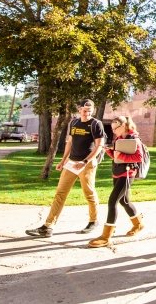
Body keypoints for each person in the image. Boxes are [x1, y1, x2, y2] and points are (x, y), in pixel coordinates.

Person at [26, 99, 105, 238]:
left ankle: (93, 221)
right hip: (71, 163)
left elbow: (99, 146)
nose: (87, 113)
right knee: (60, 193)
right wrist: (63, 161)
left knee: (89, 193)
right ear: (79, 109)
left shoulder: (96, 124)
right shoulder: (74, 122)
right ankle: (48, 227)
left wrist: (85, 161)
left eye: (90, 111)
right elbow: (70, 142)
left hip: (87, 164)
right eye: (85, 110)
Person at [88, 116, 147, 248]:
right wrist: (109, 151)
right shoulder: (120, 138)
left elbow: (138, 157)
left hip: (127, 174)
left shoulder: (134, 139)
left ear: (124, 125)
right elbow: (116, 156)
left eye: (116, 128)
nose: (113, 131)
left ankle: (106, 236)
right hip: (117, 172)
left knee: (112, 200)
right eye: (113, 128)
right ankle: (138, 224)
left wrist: (121, 156)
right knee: (124, 200)